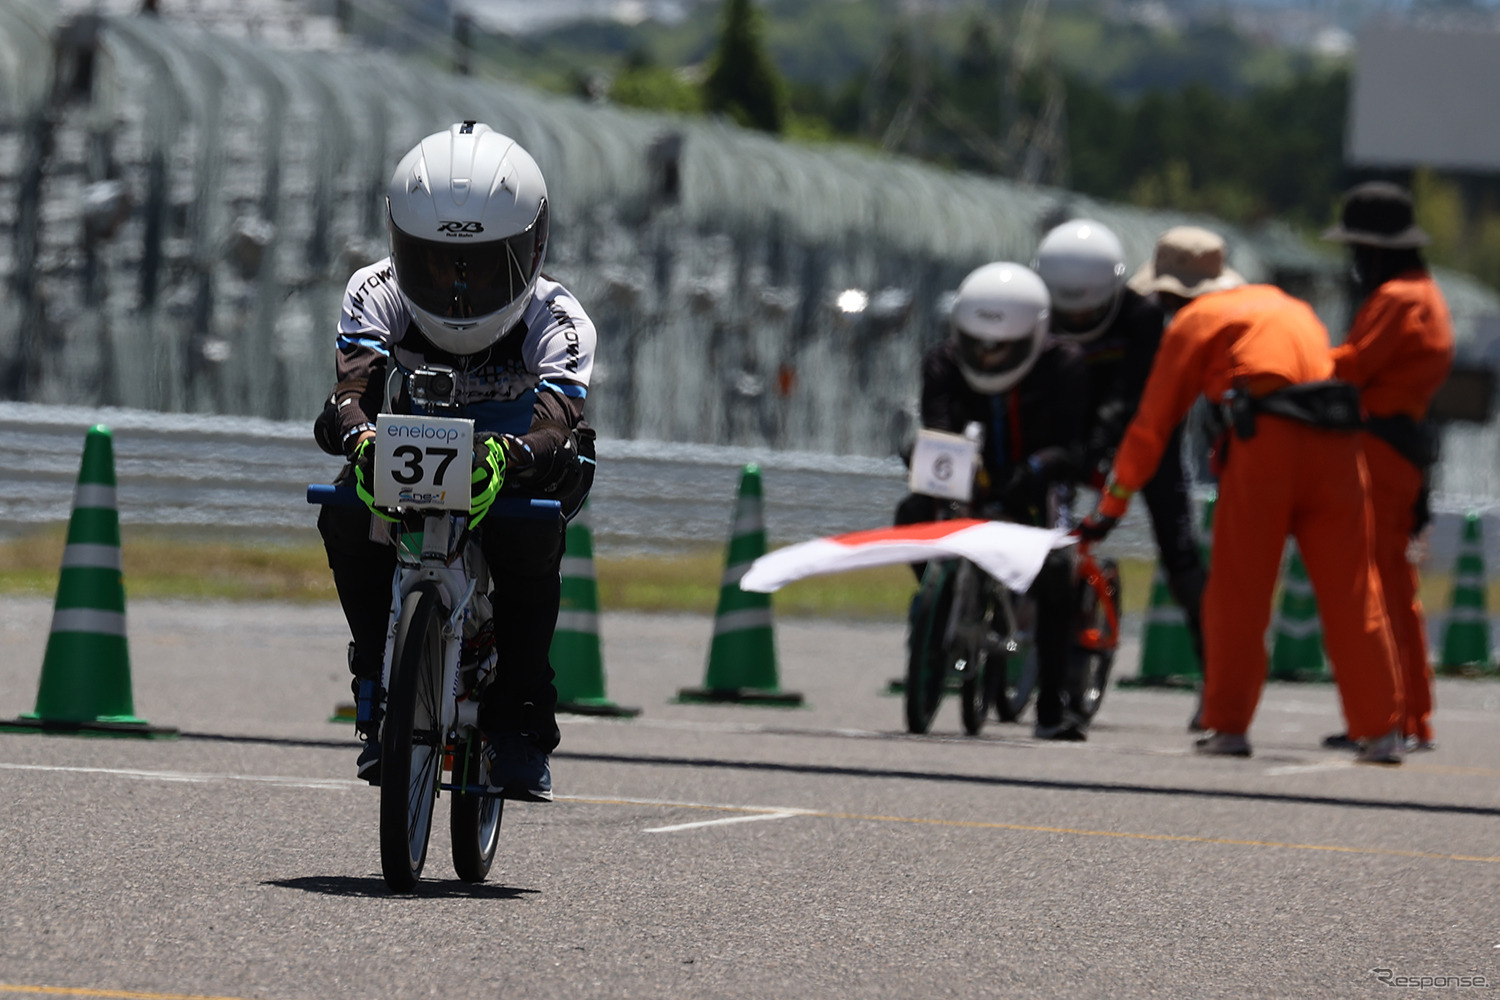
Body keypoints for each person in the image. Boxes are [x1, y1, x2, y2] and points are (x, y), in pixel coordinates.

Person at [315, 122, 596, 801]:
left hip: (514, 451)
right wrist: (358, 436)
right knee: (346, 513)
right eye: (435, 263)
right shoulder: (372, 289)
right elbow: (348, 394)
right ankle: (376, 670)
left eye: (478, 265)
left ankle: (521, 720)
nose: (457, 288)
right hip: (410, 436)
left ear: (533, 247)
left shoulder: (561, 319)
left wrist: (513, 454)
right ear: (399, 245)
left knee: (534, 528)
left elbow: (559, 423)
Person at [1078, 226, 1405, 763]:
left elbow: (1150, 428)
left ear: (1171, 293)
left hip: (1265, 446)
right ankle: (1382, 732)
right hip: (1341, 448)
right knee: (1353, 590)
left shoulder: (1194, 321)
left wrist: (1109, 508)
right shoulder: (1289, 306)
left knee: (1239, 592)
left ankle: (1228, 726)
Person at [894, 262, 1092, 740]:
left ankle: (1051, 707)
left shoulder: (1065, 365)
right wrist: (928, 454)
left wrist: (1040, 467)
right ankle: (940, 611)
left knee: (1059, 573)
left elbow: (1078, 444)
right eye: (978, 342)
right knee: (909, 517)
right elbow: (939, 424)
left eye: (1002, 345)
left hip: (1035, 486)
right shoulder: (942, 362)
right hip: (969, 480)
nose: (987, 356)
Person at [1033, 220, 1207, 726]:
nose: (1078, 316)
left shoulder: (1144, 316)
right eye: (1067, 309)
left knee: (1178, 548)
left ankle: (1215, 678)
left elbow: (1134, 394)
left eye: (1087, 307)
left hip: (1145, 428)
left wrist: (1101, 449)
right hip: (1070, 424)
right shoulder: (1037, 309)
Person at [1321, 182, 1454, 753]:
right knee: (1395, 586)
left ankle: (1389, 714)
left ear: (1375, 250)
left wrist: (1297, 362)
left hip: (1376, 449)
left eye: (1357, 248)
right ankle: (1409, 713)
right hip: (1401, 450)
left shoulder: (1398, 298)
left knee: (1374, 585)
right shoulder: (1425, 292)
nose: (1353, 260)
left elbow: (1350, 366)